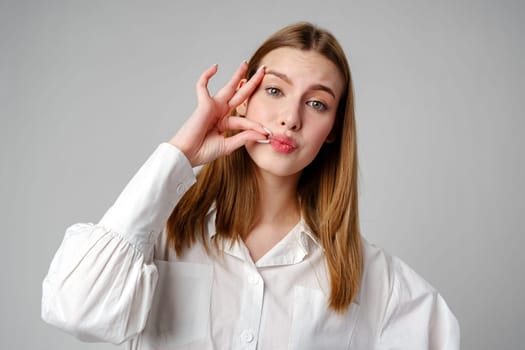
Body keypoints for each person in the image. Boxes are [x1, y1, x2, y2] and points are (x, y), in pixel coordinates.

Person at [41, 22, 460, 349]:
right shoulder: (158, 241)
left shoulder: (374, 279)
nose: (291, 118)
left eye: (317, 103)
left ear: (332, 129)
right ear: (242, 99)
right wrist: (179, 154)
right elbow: (75, 310)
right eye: (275, 90)